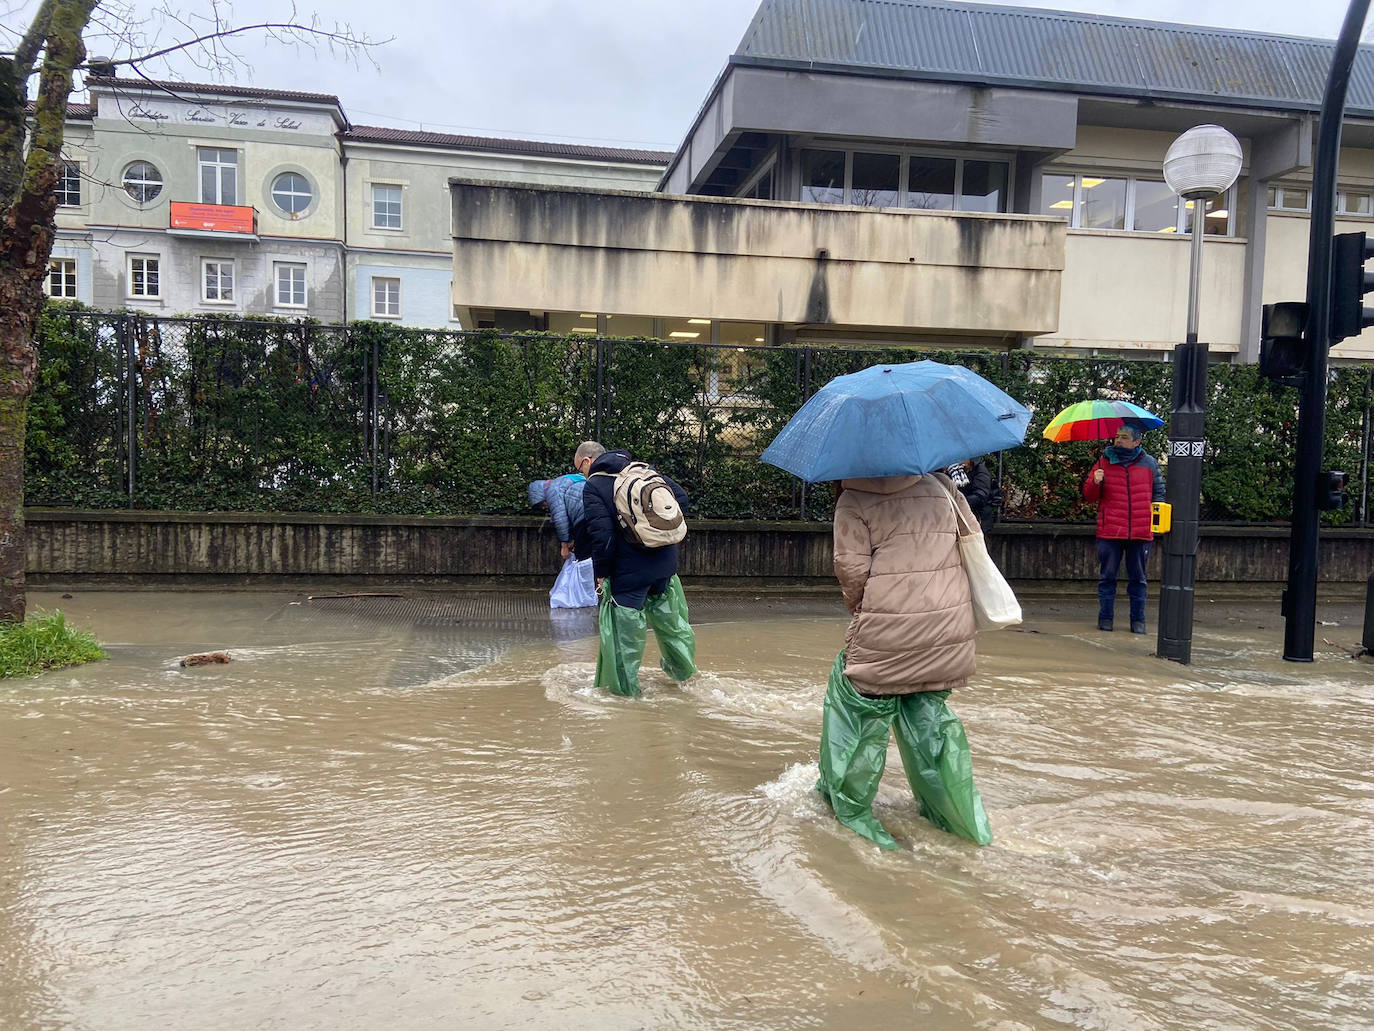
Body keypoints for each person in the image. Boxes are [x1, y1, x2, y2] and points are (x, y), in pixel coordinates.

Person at [815, 472, 994, 850]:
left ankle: (850, 815)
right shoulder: (942, 487)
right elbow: (970, 539)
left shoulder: (853, 499)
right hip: (949, 630)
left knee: (859, 714)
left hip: (887, 628)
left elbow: (852, 572)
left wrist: (865, 614)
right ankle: (960, 825)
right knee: (931, 722)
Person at [583, 447, 696, 697]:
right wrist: (654, 534)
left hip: (629, 573)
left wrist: (601, 572)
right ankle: (686, 679)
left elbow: (603, 537)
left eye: (580, 467)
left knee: (625, 640)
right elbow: (682, 500)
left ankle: (625, 697)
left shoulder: (595, 485)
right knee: (672, 627)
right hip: (666, 566)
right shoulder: (645, 472)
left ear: (589, 462)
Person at [1082, 422, 1166, 635]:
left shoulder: (1149, 464)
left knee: (1138, 580)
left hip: (1140, 532)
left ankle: (1138, 621)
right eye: (1117, 436)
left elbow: (1159, 493)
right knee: (1107, 578)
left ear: (1137, 441)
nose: (1118, 440)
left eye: (1124, 437)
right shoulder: (1103, 462)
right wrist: (1095, 481)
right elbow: (1089, 496)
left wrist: (1154, 522)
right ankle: (1105, 619)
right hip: (1110, 531)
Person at [527, 470, 588, 560]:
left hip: (583, 516)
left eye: (542, 503)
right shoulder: (563, 481)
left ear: (541, 495)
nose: (545, 506)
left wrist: (564, 546)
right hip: (594, 510)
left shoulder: (552, 490)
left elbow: (561, 519)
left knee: (583, 557)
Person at [946, 458, 998, 533]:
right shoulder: (953, 470)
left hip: (978, 518)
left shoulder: (980, 471)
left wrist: (958, 503)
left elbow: (980, 495)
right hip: (958, 517)